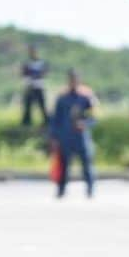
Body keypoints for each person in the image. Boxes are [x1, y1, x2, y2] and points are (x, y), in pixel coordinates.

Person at [50, 69, 97, 198]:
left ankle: (90, 190)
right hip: (66, 136)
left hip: (81, 136)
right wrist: (54, 137)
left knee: (87, 164)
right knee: (64, 164)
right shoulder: (62, 97)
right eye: (71, 79)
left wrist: (85, 124)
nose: (73, 81)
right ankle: (61, 190)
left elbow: (93, 118)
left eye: (75, 79)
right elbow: (55, 119)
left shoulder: (86, 97)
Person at [21, 46, 48, 127]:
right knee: (28, 105)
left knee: (42, 104)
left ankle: (46, 121)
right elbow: (24, 73)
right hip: (30, 86)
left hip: (39, 86)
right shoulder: (27, 63)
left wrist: (34, 74)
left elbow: (44, 73)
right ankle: (26, 122)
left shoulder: (42, 62)